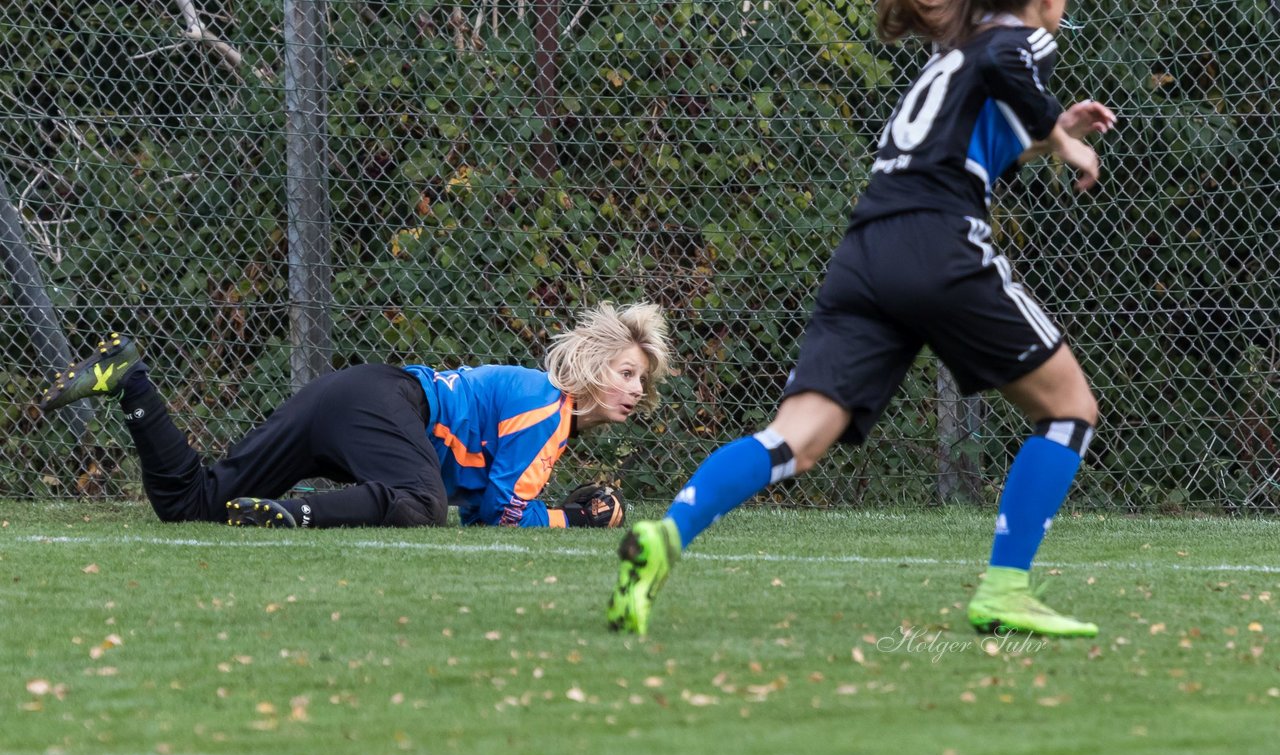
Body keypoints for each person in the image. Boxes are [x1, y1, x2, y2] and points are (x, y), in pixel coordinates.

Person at [607, 0, 1117, 637]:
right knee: (1069, 410)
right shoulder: (1019, 37)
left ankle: (667, 535)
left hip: (866, 254)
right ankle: (1006, 589)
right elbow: (1006, 61)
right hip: (939, 242)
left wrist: (1049, 131)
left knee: (794, 440)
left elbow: (971, 130)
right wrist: (1065, 139)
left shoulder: (953, 55)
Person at [39, 303, 670, 529]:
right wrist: (578, 519)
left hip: (348, 399)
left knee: (193, 505)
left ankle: (131, 383)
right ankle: (293, 512)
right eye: (625, 372)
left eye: (641, 379)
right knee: (420, 502)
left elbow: (487, 505)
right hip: (380, 400)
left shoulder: (543, 412)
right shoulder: (549, 408)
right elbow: (501, 516)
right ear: (589, 368)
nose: (635, 389)